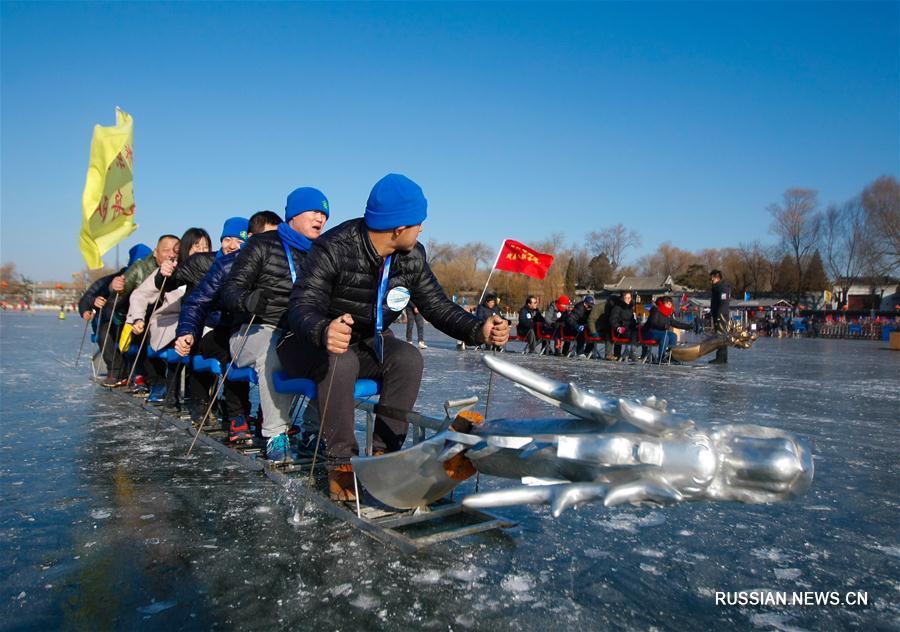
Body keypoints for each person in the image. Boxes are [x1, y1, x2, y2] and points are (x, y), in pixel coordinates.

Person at [279, 173, 509, 501]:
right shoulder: (334, 247)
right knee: (341, 360)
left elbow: (437, 305)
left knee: (408, 358)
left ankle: (383, 456)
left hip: (364, 344)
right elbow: (301, 305)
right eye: (419, 222)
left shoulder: (412, 256)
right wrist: (324, 329)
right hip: (308, 343)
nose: (422, 229)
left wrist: (479, 329)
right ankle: (341, 466)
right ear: (398, 228)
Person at [222, 188, 329, 462]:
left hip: (296, 332)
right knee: (272, 347)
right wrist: (248, 300)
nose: (321, 218)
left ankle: (313, 431)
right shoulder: (262, 245)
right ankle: (275, 435)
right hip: (251, 331)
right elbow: (230, 290)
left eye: (325, 214)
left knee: (334, 354)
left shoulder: (322, 253)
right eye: (315, 211)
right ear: (293, 215)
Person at [175, 212, 279, 435]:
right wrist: (186, 330)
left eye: (238, 241)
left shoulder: (273, 264)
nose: (232, 245)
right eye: (227, 239)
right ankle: (236, 414)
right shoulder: (212, 263)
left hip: (247, 327)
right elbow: (193, 298)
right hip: (213, 327)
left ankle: (268, 416)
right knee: (228, 351)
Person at [78, 243, 152, 382]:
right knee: (105, 332)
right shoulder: (114, 279)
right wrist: (91, 304)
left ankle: (143, 374)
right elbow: (87, 298)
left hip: (140, 323)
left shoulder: (156, 278)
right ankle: (115, 370)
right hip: (116, 322)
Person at [643, 295, 692, 362]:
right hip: (650, 332)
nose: (670, 305)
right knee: (665, 337)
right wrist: (663, 326)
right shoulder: (656, 310)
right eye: (668, 303)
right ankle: (661, 357)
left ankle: (671, 355)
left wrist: (688, 326)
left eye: (670, 304)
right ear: (663, 303)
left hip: (660, 332)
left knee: (673, 335)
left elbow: (675, 323)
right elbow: (653, 322)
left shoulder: (668, 313)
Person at [608, 291, 638, 361]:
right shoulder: (617, 308)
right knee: (634, 334)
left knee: (639, 332)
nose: (628, 299)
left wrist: (636, 323)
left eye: (629, 298)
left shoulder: (630, 308)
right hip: (620, 330)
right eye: (626, 298)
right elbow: (613, 319)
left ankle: (642, 353)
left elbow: (632, 321)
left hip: (629, 329)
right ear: (622, 298)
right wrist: (618, 327)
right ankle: (632, 352)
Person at [709, 269, 731, 364]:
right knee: (720, 335)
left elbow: (723, 302)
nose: (710, 280)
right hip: (719, 314)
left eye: (711, 278)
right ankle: (722, 357)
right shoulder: (717, 287)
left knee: (721, 336)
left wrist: (719, 315)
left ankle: (721, 358)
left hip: (721, 315)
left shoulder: (722, 287)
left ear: (716, 277)